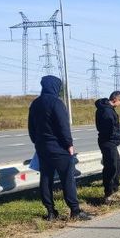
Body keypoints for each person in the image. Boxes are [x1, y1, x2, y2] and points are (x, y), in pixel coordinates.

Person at [27, 75, 91, 221]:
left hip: (42, 148)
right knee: (67, 179)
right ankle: (75, 211)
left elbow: (31, 127)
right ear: (56, 87)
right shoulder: (56, 103)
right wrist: (69, 144)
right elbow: (63, 126)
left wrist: (37, 142)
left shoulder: (35, 103)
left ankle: (50, 212)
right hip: (59, 148)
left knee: (46, 178)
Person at [95, 90, 120, 202]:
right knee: (111, 168)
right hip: (107, 142)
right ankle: (108, 193)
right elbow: (108, 130)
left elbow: (112, 129)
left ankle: (114, 189)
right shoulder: (106, 111)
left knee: (118, 166)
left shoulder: (108, 110)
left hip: (110, 142)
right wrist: (116, 134)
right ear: (115, 99)